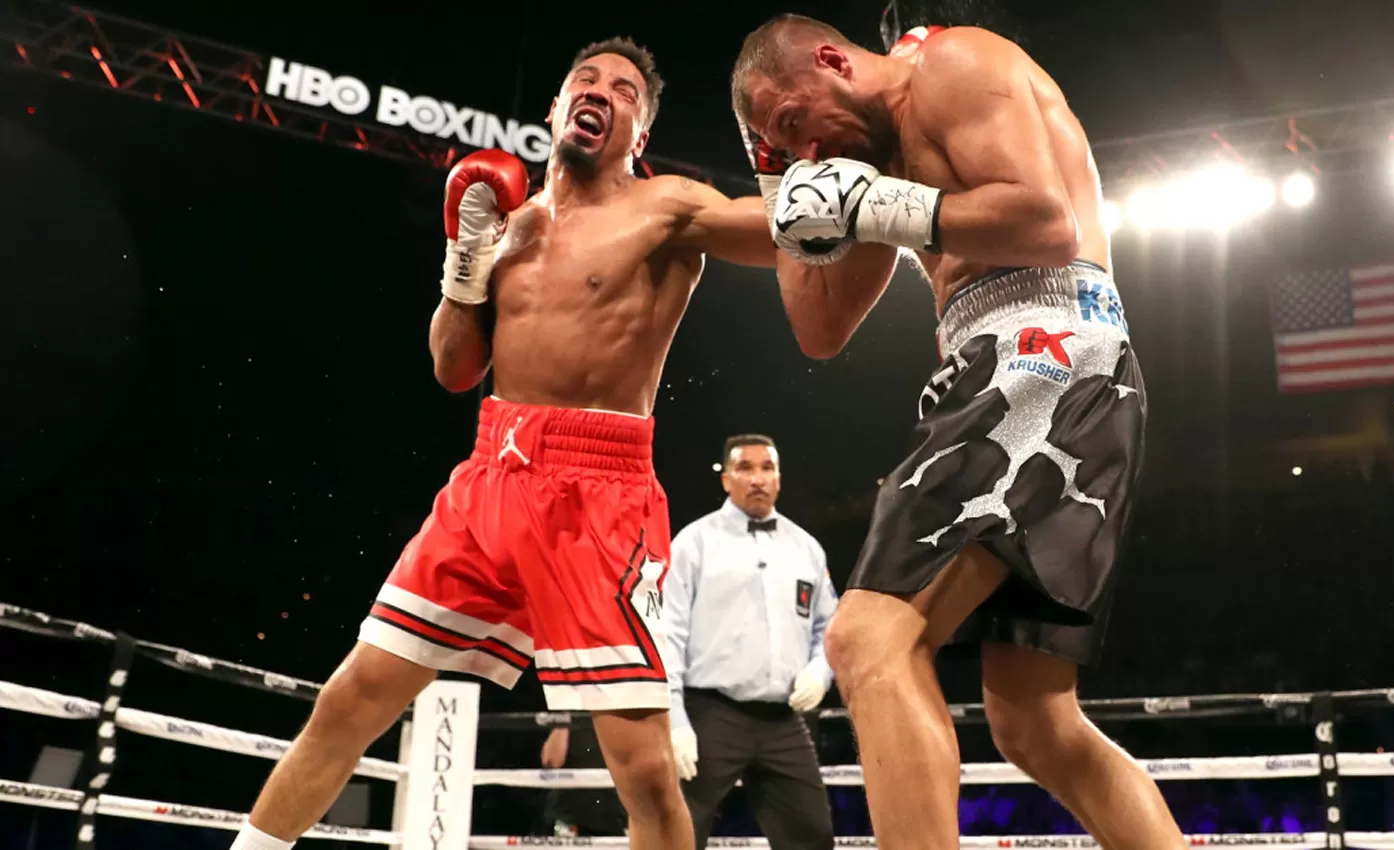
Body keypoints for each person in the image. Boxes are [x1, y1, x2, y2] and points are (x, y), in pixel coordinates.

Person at [229, 37, 777, 850]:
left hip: (600, 493)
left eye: (624, 91)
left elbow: (778, 234)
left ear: (639, 133)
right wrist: (463, 261)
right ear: (554, 110)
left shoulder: (667, 209)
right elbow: (455, 369)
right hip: (491, 476)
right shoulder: (509, 223)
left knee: (646, 774)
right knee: (350, 699)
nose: (601, 91)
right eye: (584, 80)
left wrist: (832, 181)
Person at [728, 14, 1187, 850]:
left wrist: (873, 202)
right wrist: (778, 187)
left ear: (832, 61)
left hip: (1045, 348)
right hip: (1028, 374)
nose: (802, 153)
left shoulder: (952, 62)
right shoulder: (867, 166)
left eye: (792, 123)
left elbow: (1046, 223)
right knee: (1034, 722)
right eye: (776, 146)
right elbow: (819, 327)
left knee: (867, 637)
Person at [660, 434, 837, 850]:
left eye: (766, 468)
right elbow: (668, 633)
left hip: (782, 721)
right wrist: (674, 718)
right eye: (745, 468)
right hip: (710, 714)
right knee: (679, 833)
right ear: (726, 479)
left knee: (812, 836)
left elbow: (829, 627)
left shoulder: (806, 547)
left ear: (779, 478)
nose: (757, 478)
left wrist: (821, 670)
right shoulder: (694, 542)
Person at [539, 724, 629, 837]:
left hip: (612, 816)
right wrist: (564, 720)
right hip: (570, 815)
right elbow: (551, 762)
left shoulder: (616, 723)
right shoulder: (568, 720)